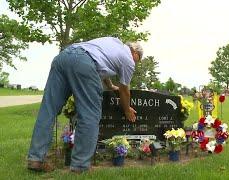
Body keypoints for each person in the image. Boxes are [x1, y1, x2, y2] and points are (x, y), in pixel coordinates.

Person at [27, 37, 143, 172]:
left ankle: (35, 159)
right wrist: (127, 109)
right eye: (138, 59)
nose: (136, 63)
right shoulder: (129, 59)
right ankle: (80, 166)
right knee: (90, 114)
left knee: (48, 109)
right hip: (83, 62)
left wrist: (110, 85)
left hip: (63, 57)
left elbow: (102, 65)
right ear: (135, 52)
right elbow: (125, 90)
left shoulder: (114, 42)